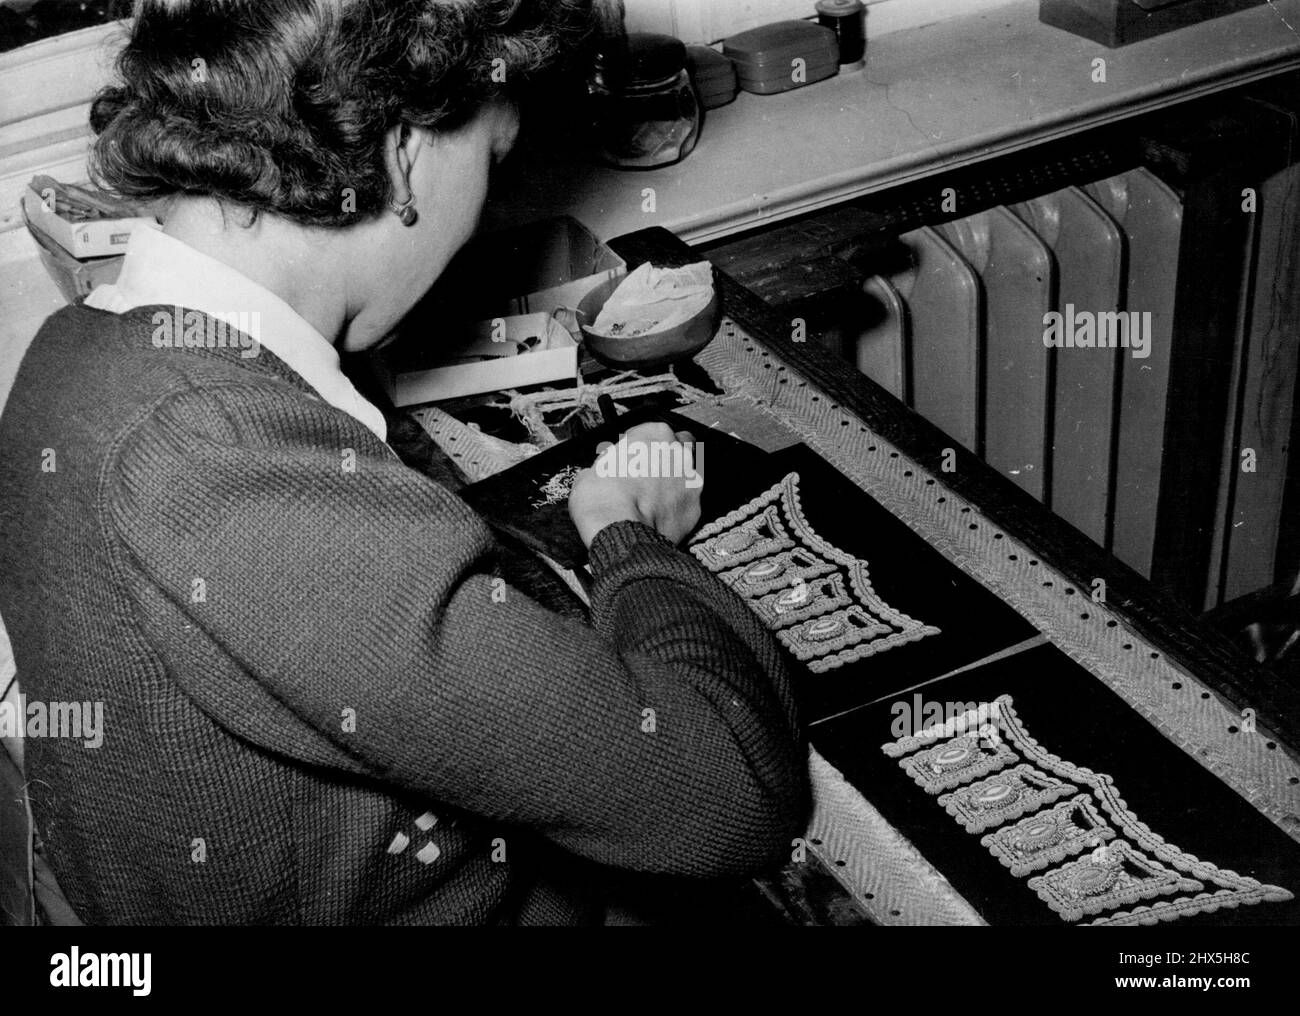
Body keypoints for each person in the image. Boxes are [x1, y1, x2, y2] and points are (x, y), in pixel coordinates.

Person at [0, 0, 808, 925]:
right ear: (403, 149)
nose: (486, 210)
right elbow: (730, 795)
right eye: (492, 165)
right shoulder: (216, 469)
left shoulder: (69, 354)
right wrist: (633, 538)